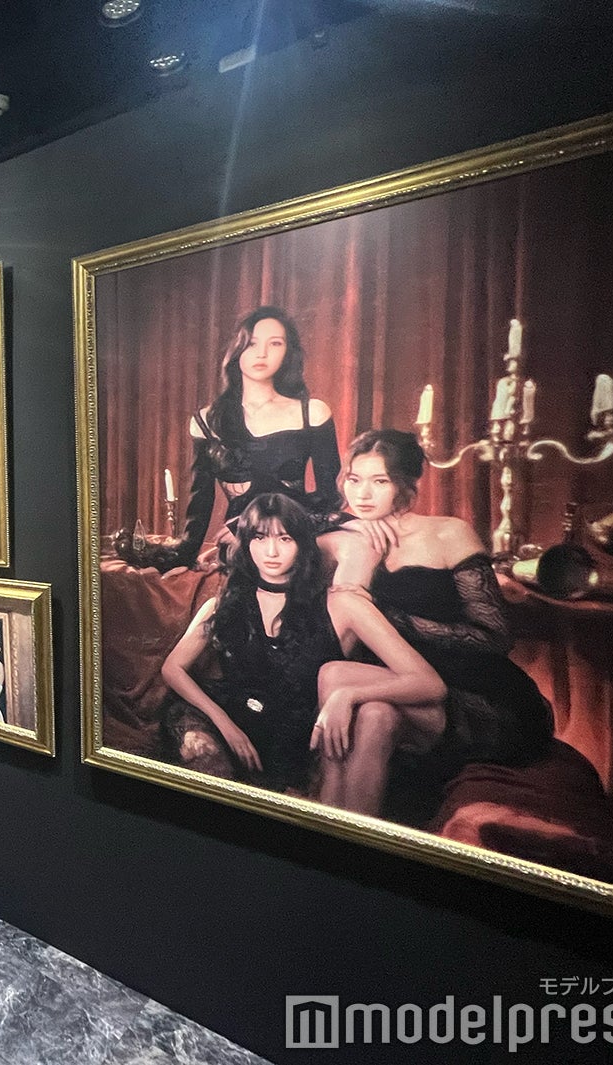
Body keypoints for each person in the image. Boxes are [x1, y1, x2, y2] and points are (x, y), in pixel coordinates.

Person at [318, 429, 555, 816]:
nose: (363, 494)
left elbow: (494, 636)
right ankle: (333, 830)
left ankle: (337, 831)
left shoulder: (448, 532)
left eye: (380, 482)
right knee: (374, 712)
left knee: (364, 702)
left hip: (474, 693)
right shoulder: (349, 535)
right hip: (398, 683)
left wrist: (387, 619)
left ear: (405, 484)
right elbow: (274, 524)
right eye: (354, 480)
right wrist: (345, 524)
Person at [160, 493, 445, 796]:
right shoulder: (224, 605)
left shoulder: (341, 605)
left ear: (302, 544)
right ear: (246, 543)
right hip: (229, 725)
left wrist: (347, 695)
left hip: (298, 744)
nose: (271, 552)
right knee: (205, 765)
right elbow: (172, 668)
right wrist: (224, 723)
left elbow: (429, 683)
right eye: (259, 538)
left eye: (285, 539)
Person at [162, 307, 341, 570]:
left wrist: (250, 525)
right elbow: (199, 507)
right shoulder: (205, 421)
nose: (262, 353)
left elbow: (328, 498)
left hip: (292, 537)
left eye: (275, 343)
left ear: (288, 352)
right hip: (238, 546)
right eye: (252, 343)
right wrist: (182, 559)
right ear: (237, 349)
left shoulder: (312, 412)